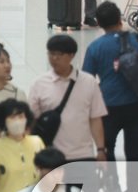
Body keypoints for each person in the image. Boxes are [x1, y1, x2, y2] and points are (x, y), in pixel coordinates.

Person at [81, 1, 138, 192]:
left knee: (106, 148)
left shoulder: (95, 47)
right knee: (134, 154)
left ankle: (114, 187)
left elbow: (87, 80)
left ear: (99, 23)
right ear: (120, 19)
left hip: (109, 107)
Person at [29, 33, 107, 164]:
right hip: (51, 156)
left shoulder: (89, 82)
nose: (54, 58)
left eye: (59, 54)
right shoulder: (39, 84)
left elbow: (95, 118)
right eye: (51, 54)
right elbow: (32, 121)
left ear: (72, 55)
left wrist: (100, 149)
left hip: (83, 155)